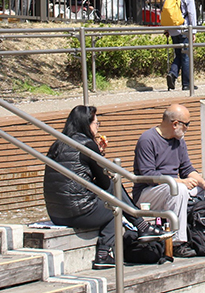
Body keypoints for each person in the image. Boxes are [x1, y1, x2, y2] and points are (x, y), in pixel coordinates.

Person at [43, 105, 167, 269]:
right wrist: (99, 156)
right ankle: (104, 253)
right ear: (86, 124)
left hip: (56, 213)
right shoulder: (87, 144)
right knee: (115, 204)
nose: (97, 127)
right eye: (96, 123)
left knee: (113, 192)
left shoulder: (57, 145)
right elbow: (104, 182)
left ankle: (141, 226)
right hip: (79, 212)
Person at [133, 104, 205, 258]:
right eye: (187, 125)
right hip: (148, 192)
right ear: (175, 124)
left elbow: (187, 168)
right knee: (179, 190)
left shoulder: (179, 140)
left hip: (174, 187)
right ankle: (178, 242)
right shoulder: (147, 140)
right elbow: (148, 174)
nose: (187, 129)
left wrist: (203, 183)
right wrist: (180, 182)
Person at [164, 0, 197, 92]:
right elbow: (192, 14)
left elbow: (166, 12)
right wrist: (193, 31)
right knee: (186, 56)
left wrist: (167, 29)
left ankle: (173, 74)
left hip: (172, 29)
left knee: (178, 54)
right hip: (184, 28)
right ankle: (187, 84)